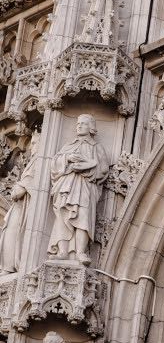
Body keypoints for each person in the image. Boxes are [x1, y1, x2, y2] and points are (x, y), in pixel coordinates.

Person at [48, 114, 112, 265]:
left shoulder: (96, 147)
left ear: (91, 128)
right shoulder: (68, 146)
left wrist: (86, 169)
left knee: (83, 217)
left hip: (84, 186)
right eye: (78, 123)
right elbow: (54, 164)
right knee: (63, 216)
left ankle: (80, 252)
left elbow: (103, 169)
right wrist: (67, 159)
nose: (79, 126)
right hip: (67, 185)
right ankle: (63, 251)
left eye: (83, 124)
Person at [0, 134, 41, 274]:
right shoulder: (33, 161)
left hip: (25, 206)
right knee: (9, 232)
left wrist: (20, 187)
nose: (32, 147)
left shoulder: (40, 160)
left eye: (35, 143)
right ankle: (8, 267)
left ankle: (9, 267)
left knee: (12, 232)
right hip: (19, 205)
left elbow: (30, 181)